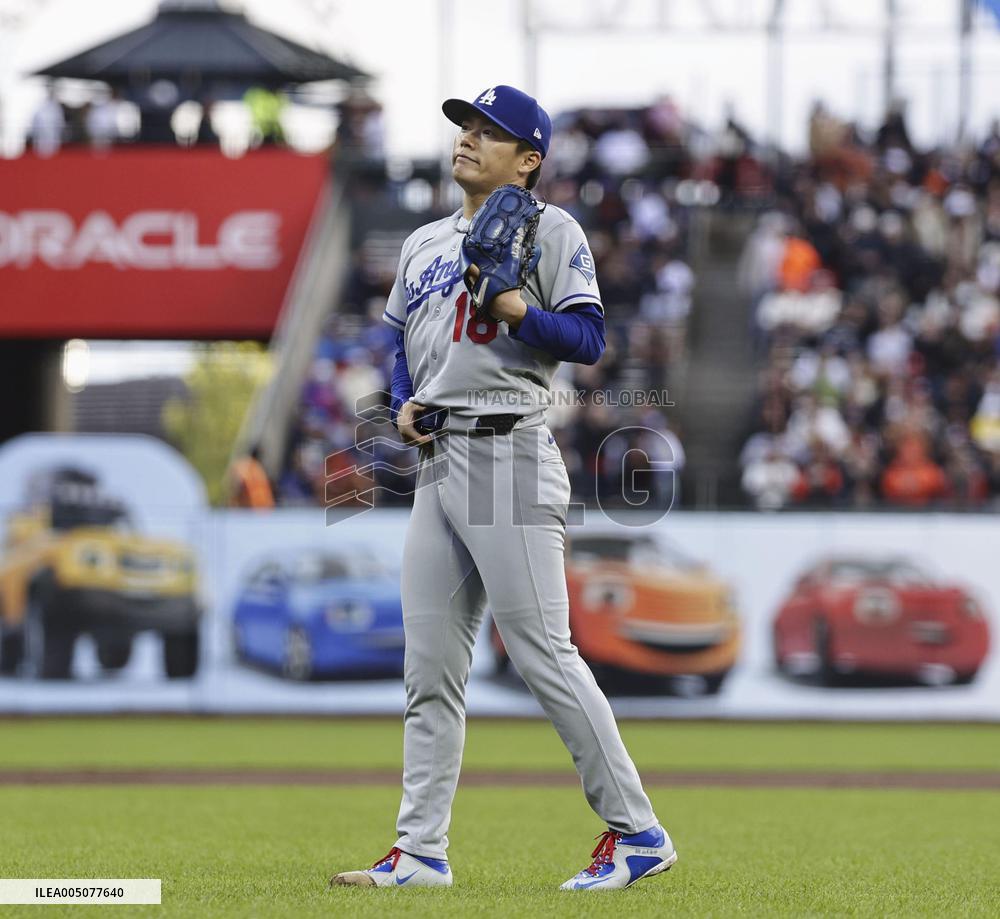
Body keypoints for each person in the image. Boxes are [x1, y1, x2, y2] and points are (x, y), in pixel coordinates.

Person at [330, 85, 676, 892]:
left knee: (543, 652)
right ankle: (419, 852)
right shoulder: (420, 244)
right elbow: (403, 344)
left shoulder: (551, 229)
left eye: (490, 132)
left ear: (529, 159)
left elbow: (589, 338)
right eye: (464, 127)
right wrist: (405, 399)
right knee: (430, 670)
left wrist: (521, 309)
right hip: (440, 464)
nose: (468, 140)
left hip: (509, 453)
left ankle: (638, 831)